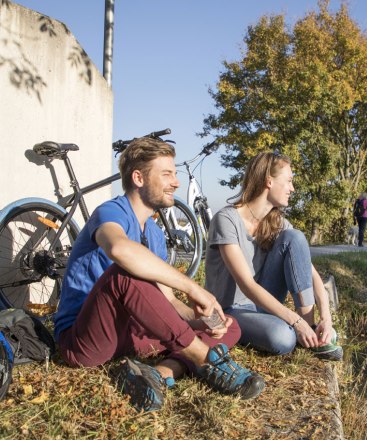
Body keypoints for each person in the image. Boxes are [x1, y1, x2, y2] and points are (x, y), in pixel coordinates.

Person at [54, 137, 265, 412]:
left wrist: (201, 320)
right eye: (166, 174)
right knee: (125, 273)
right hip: (85, 339)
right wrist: (192, 287)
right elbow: (118, 248)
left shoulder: (153, 232)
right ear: (139, 178)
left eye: (175, 174)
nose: (176, 182)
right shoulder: (111, 212)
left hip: (131, 335)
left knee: (230, 323)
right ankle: (207, 360)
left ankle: (161, 373)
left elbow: (168, 302)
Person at [204, 151, 342, 361]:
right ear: (269, 181)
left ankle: (311, 332)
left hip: (261, 303)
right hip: (230, 308)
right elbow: (246, 286)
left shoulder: (277, 222)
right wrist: (294, 322)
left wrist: (326, 316)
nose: (292, 188)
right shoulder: (226, 219)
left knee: (295, 237)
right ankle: (299, 331)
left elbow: (310, 272)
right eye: (288, 181)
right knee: (283, 338)